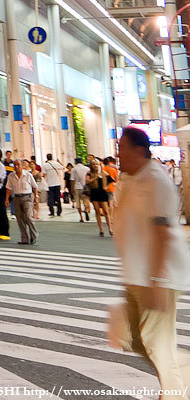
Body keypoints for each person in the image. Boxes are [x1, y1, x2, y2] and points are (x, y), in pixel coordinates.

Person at [112, 126, 190, 394]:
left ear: (138, 150)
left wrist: (157, 281)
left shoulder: (155, 180)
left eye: (122, 147)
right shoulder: (133, 179)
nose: (118, 153)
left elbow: (162, 234)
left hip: (157, 277)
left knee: (158, 345)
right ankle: (184, 378)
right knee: (135, 340)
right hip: (136, 275)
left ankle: (175, 393)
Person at [8, 159, 38, 245]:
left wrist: (36, 197)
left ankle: (33, 235)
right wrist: (6, 199)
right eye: (15, 165)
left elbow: (35, 186)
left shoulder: (28, 175)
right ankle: (24, 238)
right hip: (16, 198)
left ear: (22, 166)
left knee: (28, 217)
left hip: (27, 197)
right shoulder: (11, 176)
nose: (16, 167)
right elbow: (8, 188)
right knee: (19, 219)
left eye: (18, 165)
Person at [89, 158, 114, 238]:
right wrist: (95, 178)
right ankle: (101, 230)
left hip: (102, 193)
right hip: (94, 192)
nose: (95, 166)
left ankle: (110, 229)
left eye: (97, 164)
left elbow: (111, 180)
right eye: (93, 164)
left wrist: (106, 187)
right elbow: (87, 182)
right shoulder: (89, 173)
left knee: (106, 211)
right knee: (97, 211)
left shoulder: (104, 173)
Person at [72, 156, 91, 222]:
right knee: (86, 201)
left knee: (78, 203)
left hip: (77, 187)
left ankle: (81, 217)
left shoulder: (74, 169)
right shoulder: (87, 168)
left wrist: (72, 189)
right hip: (85, 187)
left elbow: (72, 180)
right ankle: (86, 210)